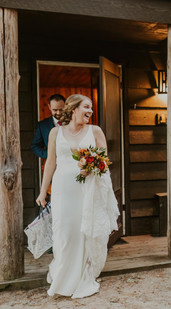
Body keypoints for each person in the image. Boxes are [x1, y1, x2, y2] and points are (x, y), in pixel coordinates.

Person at [36, 94, 119, 298]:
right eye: (86, 107)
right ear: (73, 109)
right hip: (63, 188)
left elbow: (104, 161)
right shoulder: (56, 133)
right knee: (64, 231)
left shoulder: (95, 131)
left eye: (91, 108)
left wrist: (92, 168)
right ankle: (63, 274)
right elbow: (51, 164)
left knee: (83, 231)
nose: (90, 111)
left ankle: (81, 275)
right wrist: (42, 190)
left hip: (86, 190)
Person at [31, 94, 66, 159]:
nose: (58, 113)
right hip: (53, 165)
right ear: (49, 107)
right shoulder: (42, 125)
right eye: (55, 110)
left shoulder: (73, 122)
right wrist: (49, 155)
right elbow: (35, 146)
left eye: (61, 110)